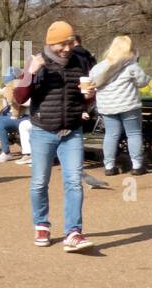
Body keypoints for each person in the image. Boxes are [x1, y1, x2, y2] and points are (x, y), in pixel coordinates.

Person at [12, 20, 95, 252]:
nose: (67, 48)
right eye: (62, 44)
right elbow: (19, 98)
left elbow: (85, 98)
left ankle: (73, 232)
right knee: (39, 183)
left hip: (72, 131)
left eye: (69, 42)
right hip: (42, 130)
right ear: (51, 43)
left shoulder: (81, 61)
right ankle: (41, 224)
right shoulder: (37, 61)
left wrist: (89, 97)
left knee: (74, 182)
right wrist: (30, 73)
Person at [88, 35, 151, 176]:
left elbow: (92, 83)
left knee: (111, 135)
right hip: (129, 106)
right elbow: (142, 82)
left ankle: (109, 166)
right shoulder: (131, 66)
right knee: (133, 134)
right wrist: (148, 78)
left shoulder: (99, 67)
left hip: (107, 107)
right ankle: (137, 165)